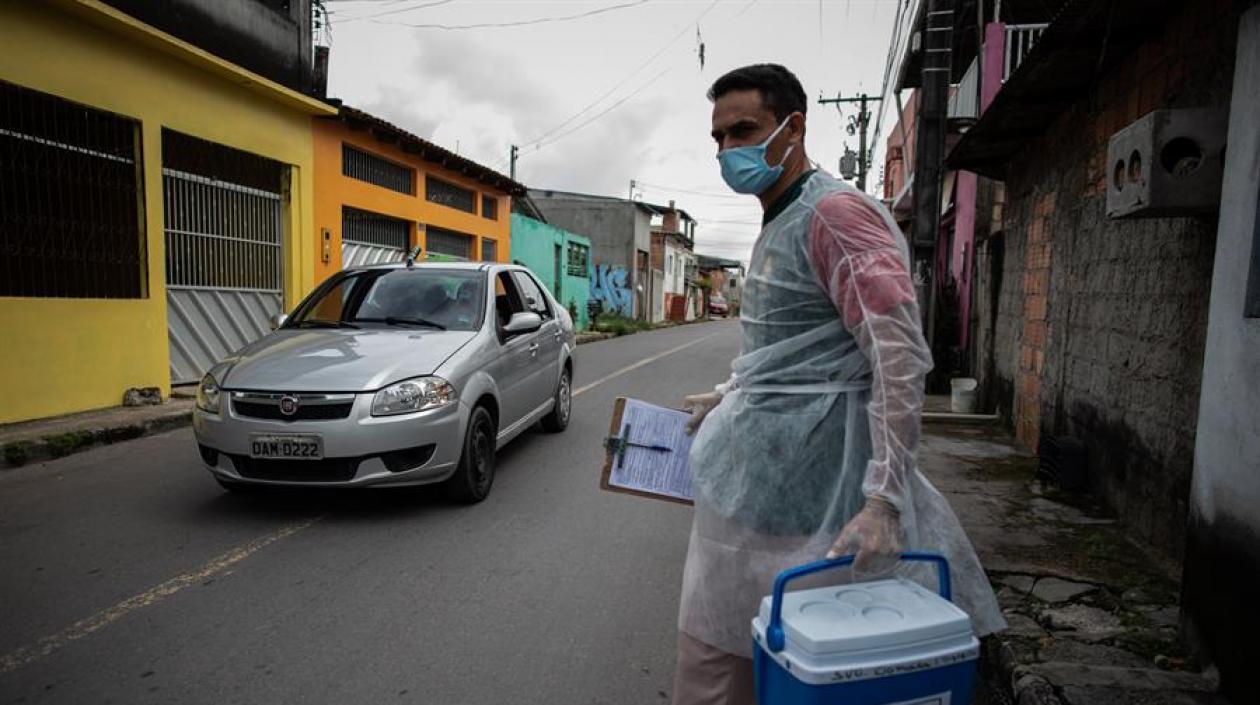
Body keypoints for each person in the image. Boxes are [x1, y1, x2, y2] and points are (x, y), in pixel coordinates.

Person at [671, 64, 1004, 705]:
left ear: (793, 128)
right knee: (729, 663)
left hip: (823, 500)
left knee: (799, 664)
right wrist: (731, 393)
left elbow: (898, 358)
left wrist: (884, 501)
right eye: (717, 138)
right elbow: (794, 351)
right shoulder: (781, 217)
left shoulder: (837, 215)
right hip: (761, 498)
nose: (728, 151)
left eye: (744, 130)